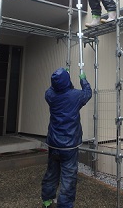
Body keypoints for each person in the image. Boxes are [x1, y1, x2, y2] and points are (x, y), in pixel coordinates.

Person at [41, 67, 92, 208]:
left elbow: (52, 89)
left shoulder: (50, 96)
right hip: (69, 145)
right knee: (68, 178)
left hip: (53, 143)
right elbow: (88, 93)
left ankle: (47, 200)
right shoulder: (75, 96)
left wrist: (61, 79)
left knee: (51, 173)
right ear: (67, 81)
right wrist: (83, 80)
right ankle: (64, 205)